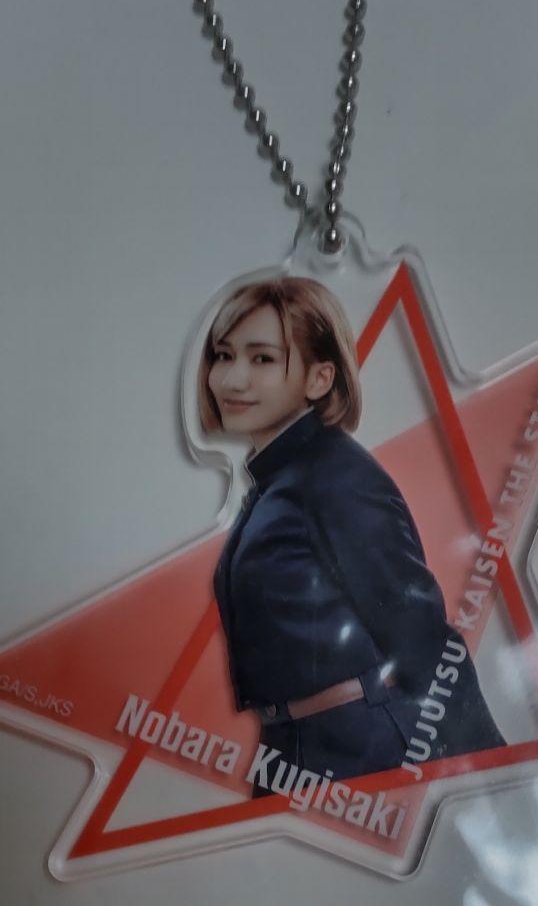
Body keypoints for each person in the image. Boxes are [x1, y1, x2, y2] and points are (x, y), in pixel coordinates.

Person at [198, 276, 504, 794]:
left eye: (262, 358)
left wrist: (494, 775)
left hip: (358, 751)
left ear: (320, 377)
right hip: (289, 749)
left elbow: (418, 634)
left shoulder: (338, 477)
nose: (231, 378)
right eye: (224, 356)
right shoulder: (277, 482)